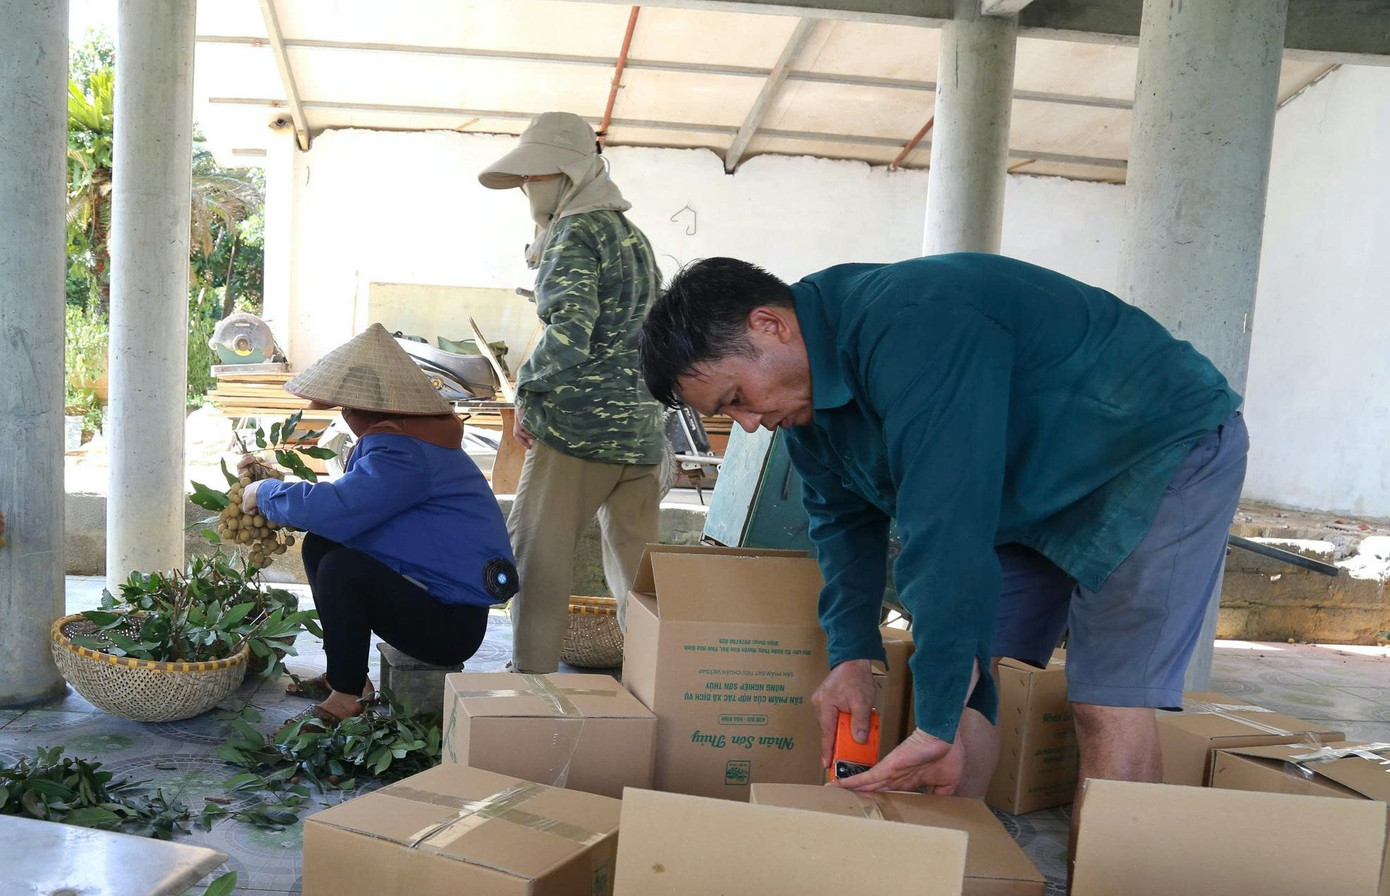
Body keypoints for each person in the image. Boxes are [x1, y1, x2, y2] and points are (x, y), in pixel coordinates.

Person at [638, 253, 1247, 841]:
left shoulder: (913, 325)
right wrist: (853, 655)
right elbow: (841, 527)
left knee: (1105, 696)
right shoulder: (804, 413)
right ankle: (958, 865)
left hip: (1151, 450)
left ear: (769, 326)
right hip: (1022, 486)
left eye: (736, 399)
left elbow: (944, 524)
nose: (745, 424)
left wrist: (932, 717)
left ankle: (1118, 877)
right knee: (975, 684)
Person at [240, 323, 519, 728]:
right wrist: (280, 485)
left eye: (345, 408)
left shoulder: (404, 452)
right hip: (434, 599)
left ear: (362, 408)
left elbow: (344, 508)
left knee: (343, 569)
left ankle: (346, 695)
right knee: (322, 546)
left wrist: (267, 493)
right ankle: (348, 678)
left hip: (450, 625)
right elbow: (355, 503)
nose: (345, 416)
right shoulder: (410, 440)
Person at [478, 111, 665, 672]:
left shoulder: (572, 230)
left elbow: (569, 331)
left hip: (579, 431)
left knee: (539, 564)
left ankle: (530, 688)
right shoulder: (634, 238)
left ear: (562, 175)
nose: (526, 189)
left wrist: (526, 394)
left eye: (532, 176)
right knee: (641, 587)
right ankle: (662, 686)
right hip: (641, 433)